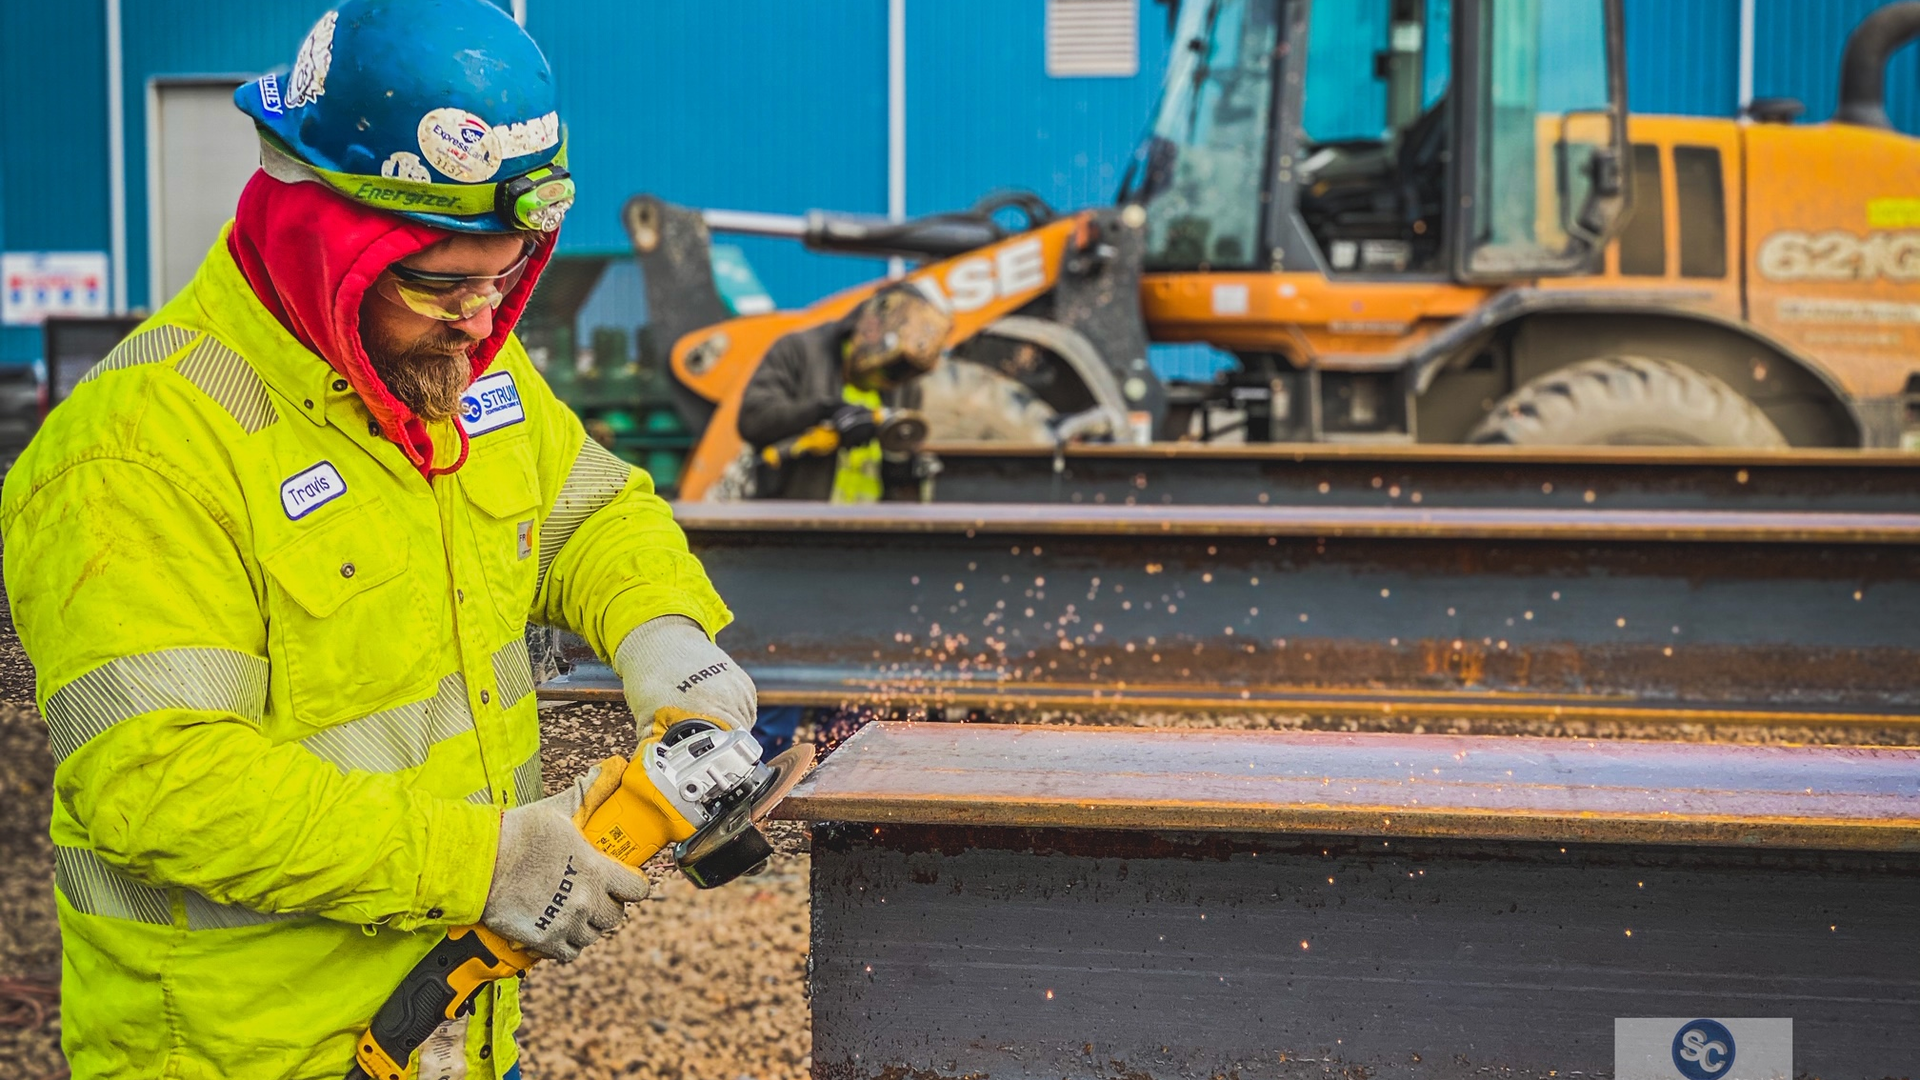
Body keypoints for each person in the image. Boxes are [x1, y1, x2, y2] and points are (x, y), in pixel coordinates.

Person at [0, 3, 758, 1077]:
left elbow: (590, 512)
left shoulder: (457, 366)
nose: (481, 319)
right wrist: (488, 859)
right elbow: (162, 783)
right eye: (442, 283)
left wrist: (669, 642)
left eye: (507, 274)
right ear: (320, 234)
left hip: (444, 1029)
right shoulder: (137, 453)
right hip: (244, 1049)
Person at [736, 282, 953, 502]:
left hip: (864, 529)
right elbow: (754, 418)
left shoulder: (904, 385)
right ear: (873, 319)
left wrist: (903, 466)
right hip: (796, 523)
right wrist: (826, 412)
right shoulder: (799, 351)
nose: (888, 379)